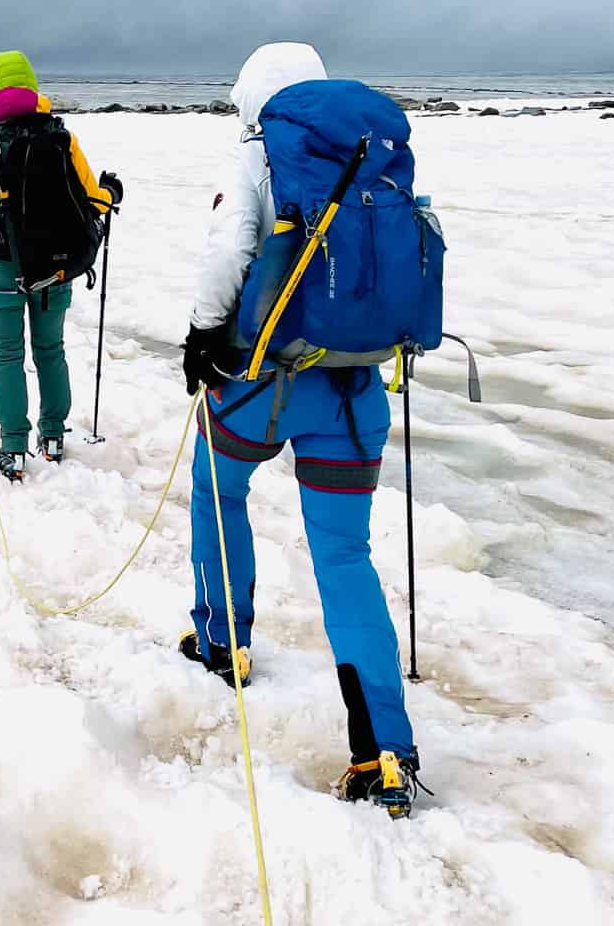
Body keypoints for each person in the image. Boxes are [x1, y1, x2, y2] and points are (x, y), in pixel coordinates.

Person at [179, 41, 422, 817]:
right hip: (355, 388)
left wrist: (200, 336)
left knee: (218, 493)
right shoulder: (372, 156)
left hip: (262, 383)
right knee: (346, 555)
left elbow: (228, 253)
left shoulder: (258, 160)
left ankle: (224, 640)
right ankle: (383, 750)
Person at [0, 51, 120, 481]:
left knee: (7, 355)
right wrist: (110, 193)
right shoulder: (61, 136)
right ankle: (53, 436)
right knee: (51, 350)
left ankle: (13, 446)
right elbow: (93, 201)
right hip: (55, 266)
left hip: (1, 264)